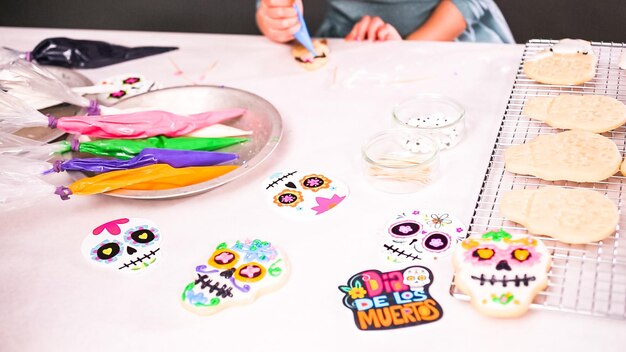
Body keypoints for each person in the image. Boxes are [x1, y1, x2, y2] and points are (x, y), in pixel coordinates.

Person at [256, 0, 514, 44]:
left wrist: (404, 48)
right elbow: (270, 7)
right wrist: (275, 18)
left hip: (449, 40)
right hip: (349, 44)